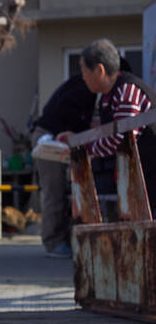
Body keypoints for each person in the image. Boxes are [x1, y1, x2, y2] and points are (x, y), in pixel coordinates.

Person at [57, 39, 156, 216]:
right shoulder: (106, 98)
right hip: (141, 180)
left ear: (100, 70)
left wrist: (80, 147)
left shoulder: (126, 91)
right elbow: (104, 134)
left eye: (84, 70)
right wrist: (75, 140)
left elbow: (121, 140)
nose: (83, 76)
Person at [30, 75, 96, 258]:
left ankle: (63, 239)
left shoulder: (81, 85)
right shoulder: (82, 87)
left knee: (64, 191)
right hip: (49, 139)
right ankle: (53, 242)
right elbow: (67, 114)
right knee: (54, 191)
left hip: (58, 138)